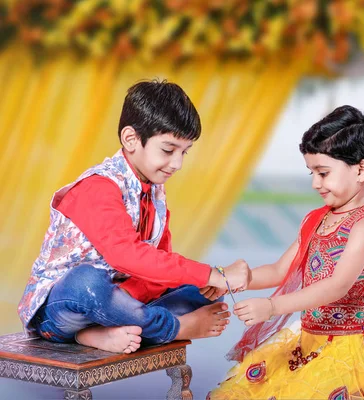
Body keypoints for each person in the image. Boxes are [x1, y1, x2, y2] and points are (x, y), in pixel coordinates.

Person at [207, 105, 364, 399]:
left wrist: (272, 308)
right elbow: (279, 271)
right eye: (311, 172)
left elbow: (337, 286)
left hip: (345, 351)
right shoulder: (317, 219)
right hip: (304, 342)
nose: (315, 183)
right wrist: (230, 278)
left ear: (361, 170)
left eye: (323, 173)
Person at [17, 79, 250, 354]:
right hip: (64, 307)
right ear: (130, 139)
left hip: (116, 302)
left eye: (184, 152)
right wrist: (212, 273)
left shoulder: (154, 193)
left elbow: (158, 266)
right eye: (168, 150)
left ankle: (101, 332)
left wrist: (212, 280)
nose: (177, 164)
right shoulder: (98, 186)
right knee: (87, 281)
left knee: (200, 293)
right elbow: (126, 256)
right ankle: (172, 328)